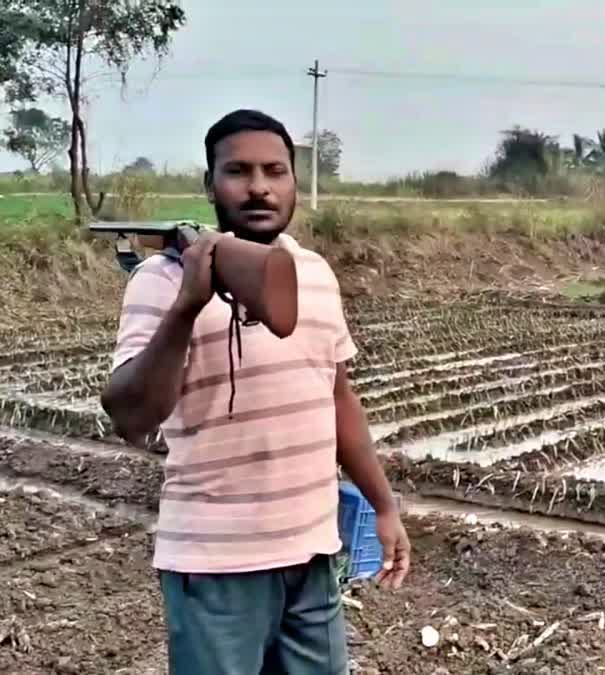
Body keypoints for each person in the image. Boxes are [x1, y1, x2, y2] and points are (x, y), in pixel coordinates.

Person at [99, 109, 410, 675]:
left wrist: (384, 505)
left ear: (294, 182)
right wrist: (188, 305)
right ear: (210, 184)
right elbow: (131, 417)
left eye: (275, 171)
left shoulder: (315, 272)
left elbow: (337, 397)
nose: (259, 187)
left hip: (314, 554)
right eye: (238, 171)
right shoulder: (161, 280)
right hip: (215, 563)